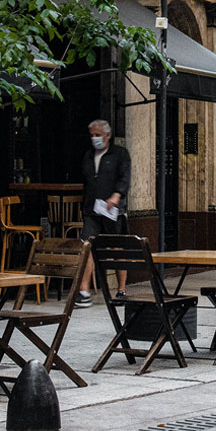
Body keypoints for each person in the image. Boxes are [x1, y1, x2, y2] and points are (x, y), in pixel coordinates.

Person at [77, 119, 131, 308]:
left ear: (107, 135)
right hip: (92, 209)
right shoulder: (89, 155)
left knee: (116, 248)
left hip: (112, 210)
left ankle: (122, 289)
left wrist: (116, 195)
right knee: (87, 245)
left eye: (98, 135)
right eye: (92, 135)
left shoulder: (120, 154)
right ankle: (84, 291)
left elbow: (125, 177)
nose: (95, 139)